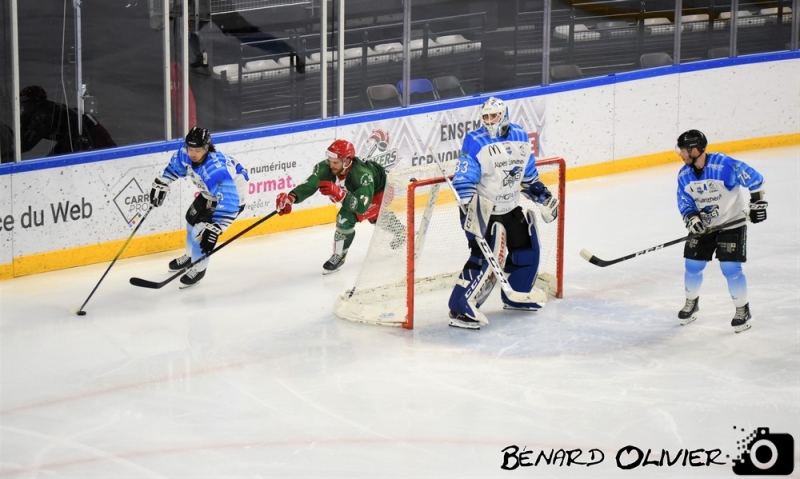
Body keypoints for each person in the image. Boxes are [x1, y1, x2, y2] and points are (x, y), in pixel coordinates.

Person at [447, 96, 559, 330]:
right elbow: (464, 178)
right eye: (485, 117)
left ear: (504, 115)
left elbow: (528, 175)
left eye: (493, 116)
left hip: (509, 207)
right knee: (483, 258)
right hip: (483, 209)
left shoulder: (519, 136)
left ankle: (516, 294)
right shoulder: (475, 140)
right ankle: (459, 307)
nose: (489, 121)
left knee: (526, 247)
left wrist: (542, 197)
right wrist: (469, 207)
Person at [675, 129, 767, 333]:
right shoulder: (684, 175)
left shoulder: (724, 165)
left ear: (696, 150)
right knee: (692, 264)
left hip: (731, 223)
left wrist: (757, 203)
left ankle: (743, 310)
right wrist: (692, 217)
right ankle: (692, 303)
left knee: (730, 269)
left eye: (683, 150)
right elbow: (684, 201)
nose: (680, 155)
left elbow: (755, 179)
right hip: (705, 227)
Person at [275, 139, 404, 274]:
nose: (331, 165)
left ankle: (339, 256)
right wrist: (291, 198)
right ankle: (401, 231)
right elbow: (310, 184)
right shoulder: (328, 167)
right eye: (330, 161)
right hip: (362, 194)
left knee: (345, 217)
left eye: (335, 162)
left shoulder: (362, 174)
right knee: (374, 216)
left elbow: (361, 207)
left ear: (347, 161)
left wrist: (340, 194)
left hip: (381, 193)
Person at [149, 127, 249, 288]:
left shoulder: (215, 170)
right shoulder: (186, 153)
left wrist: (216, 228)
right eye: (190, 148)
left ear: (207, 147)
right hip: (209, 193)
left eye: (197, 150)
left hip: (231, 199)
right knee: (191, 222)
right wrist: (163, 182)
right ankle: (190, 257)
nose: (192, 153)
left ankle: (199, 268)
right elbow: (176, 167)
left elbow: (230, 202)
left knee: (201, 234)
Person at [19, 85, 116, 157]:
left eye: (26, 103)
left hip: (89, 135)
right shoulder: (40, 111)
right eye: (22, 102)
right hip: (77, 136)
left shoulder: (41, 116)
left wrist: (8, 151)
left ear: (36, 101)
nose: (23, 106)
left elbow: (25, 144)